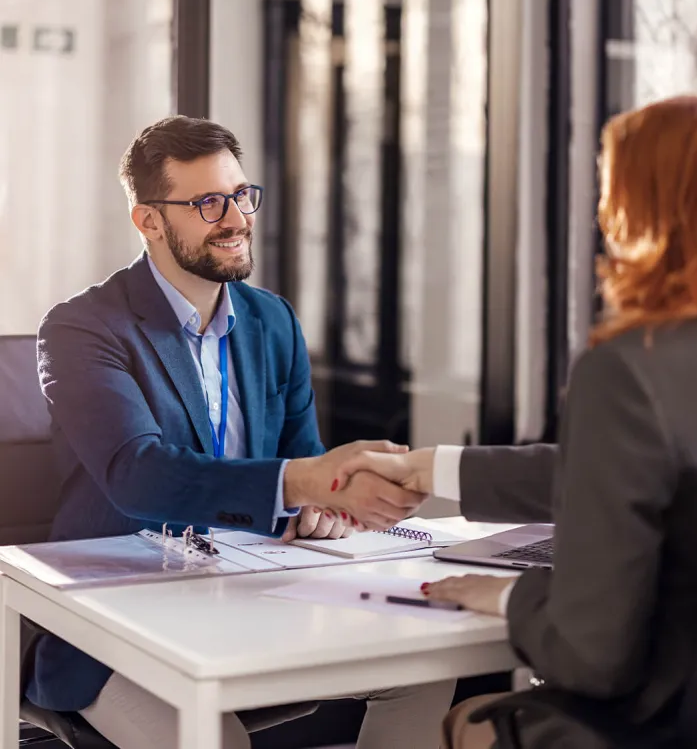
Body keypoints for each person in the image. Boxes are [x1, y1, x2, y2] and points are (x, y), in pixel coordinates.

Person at [336, 95, 697, 748]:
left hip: (653, 724)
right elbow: (626, 469)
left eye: (611, 189)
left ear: (645, 208)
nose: (601, 212)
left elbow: (594, 656)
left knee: (464, 721)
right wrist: (434, 466)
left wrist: (510, 597)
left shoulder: (630, 369)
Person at [29, 115, 453, 749]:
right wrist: (304, 480)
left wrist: (330, 499)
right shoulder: (83, 329)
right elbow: (137, 475)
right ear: (148, 220)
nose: (235, 218)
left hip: (260, 595)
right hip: (117, 622)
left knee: (428, 669)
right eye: (207, 203)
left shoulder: (271, 320)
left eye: (240, 195)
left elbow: (303, 465)